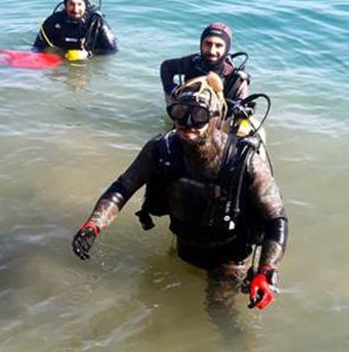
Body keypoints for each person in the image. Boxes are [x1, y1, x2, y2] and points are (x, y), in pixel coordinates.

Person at [72, 74, 288, 310]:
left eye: (198, 114)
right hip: (184, 246)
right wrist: (93, 225)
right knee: (155, 302)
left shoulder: (245, 160)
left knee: (219, 312)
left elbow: (276, 219)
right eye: (179, 112)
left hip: (231, 257)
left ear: (215, 118)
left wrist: (265, 272)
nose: (186, 121)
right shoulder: (160, 149)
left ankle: (245, 347)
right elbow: (123, 188)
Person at [160, 23, 250, 104]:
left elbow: (241, 102)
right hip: (187, 110)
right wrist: (174, 91)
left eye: (218, 45)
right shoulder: (193, 62)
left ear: (226, 49)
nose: (212, 51)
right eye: (208, 44)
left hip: (220, 118)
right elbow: (166, 67)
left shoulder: (235, 80)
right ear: (201, 44)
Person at [33, 0, 118, 59]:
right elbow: (37, 47)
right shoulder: (53, 21)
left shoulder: (97, 22)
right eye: (72, 4)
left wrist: (89, 54)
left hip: (86, 64)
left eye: (79, 4)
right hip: (61, 61)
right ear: (66, 4)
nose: (76, 9)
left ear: (85, 4)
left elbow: (112, 50)